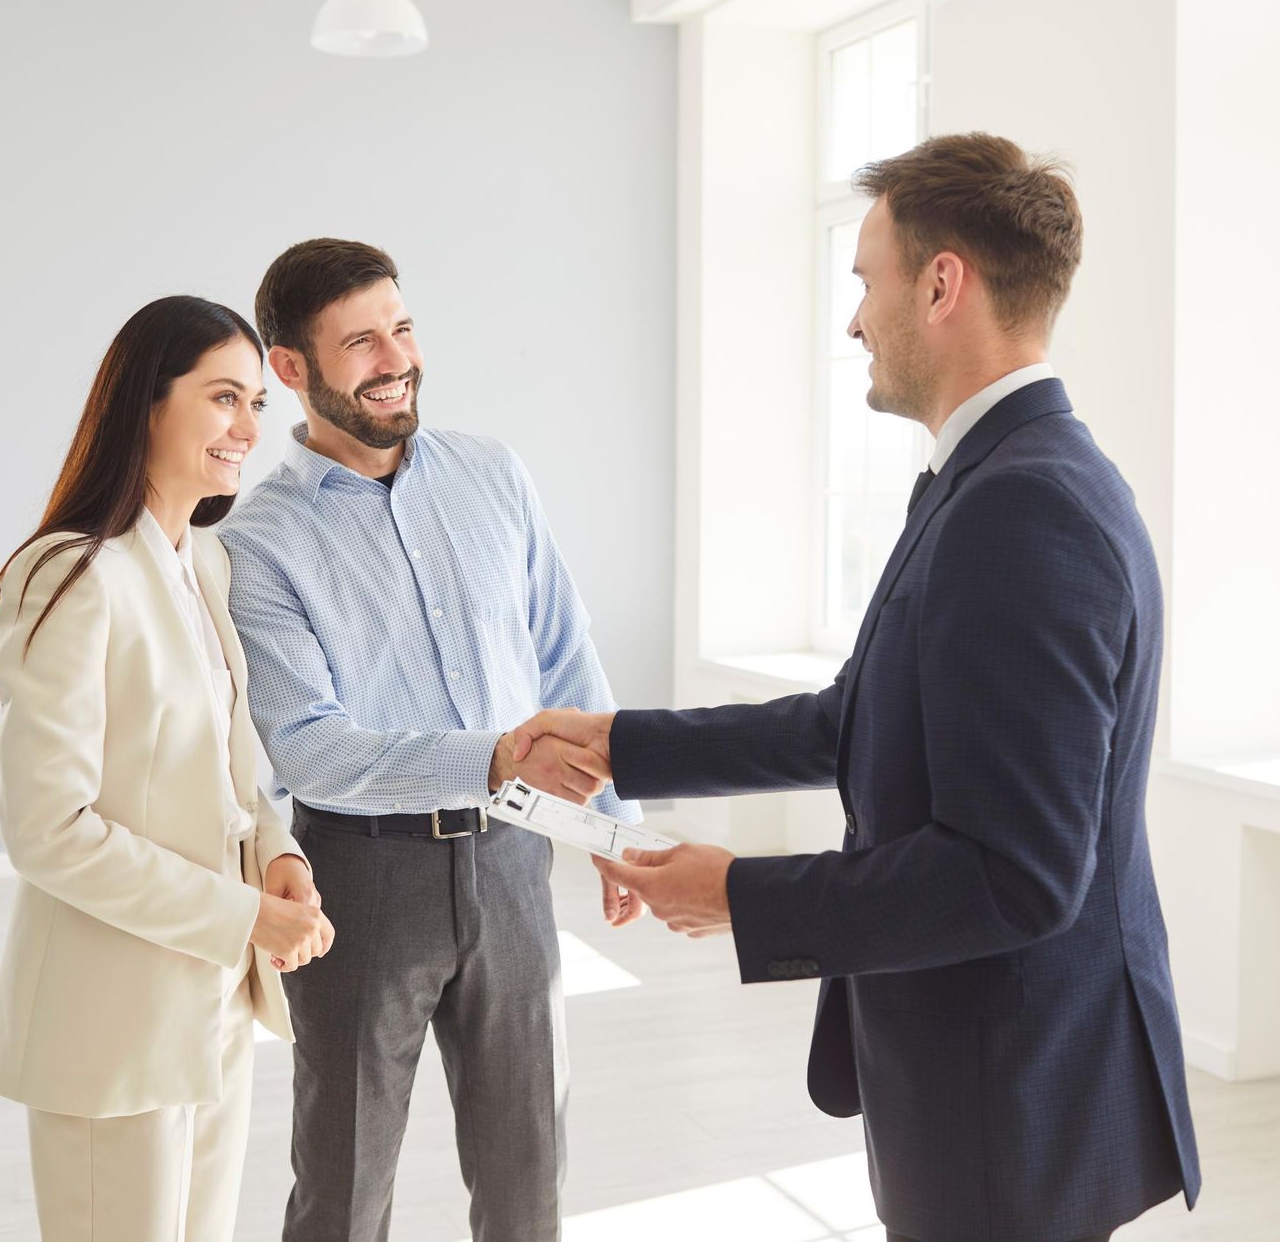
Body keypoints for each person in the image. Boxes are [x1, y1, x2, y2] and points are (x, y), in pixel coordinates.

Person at [514, 133, 1201, 1241]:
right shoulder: (992, 477)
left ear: (942, 284)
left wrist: (741, 893)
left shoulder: (1024, 508)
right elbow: (857, 717)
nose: (853, 322)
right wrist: (620, 744)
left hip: (1008, 1086)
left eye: (863, 282)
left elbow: (1016, 874)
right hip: (991, 1067)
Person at [218, 238, 635, 1242]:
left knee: (529, 1171)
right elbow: (312, 746)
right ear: (290, 367)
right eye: (359, 340)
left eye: (400, 326)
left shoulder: (494, 475)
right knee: (343, 1184)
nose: (394, 355)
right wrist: (492, 755)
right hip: (361, 879)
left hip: (514, 864)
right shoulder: (255, 541)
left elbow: (563, 657)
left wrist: (614, 828)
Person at [0, 295, 335, 1242]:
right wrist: (245, 915)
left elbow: (231, 775)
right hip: (112, 1020)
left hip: (211, 999)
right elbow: (48, 831)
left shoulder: (202, 563)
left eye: (257, 403)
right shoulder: (69, 574)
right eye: (224, 398)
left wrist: (280, 859)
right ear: (147, 402)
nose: (247, 429)